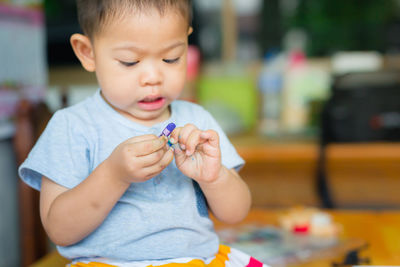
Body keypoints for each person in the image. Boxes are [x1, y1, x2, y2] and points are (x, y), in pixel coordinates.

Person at [19, 1, 266, 266]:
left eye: (171, 58)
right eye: (130, 62)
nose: (152, 77)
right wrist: (113, 175)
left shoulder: (198, 121)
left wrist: (214, 177)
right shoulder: (72, 126)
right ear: (87, 52)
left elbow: (236, 212)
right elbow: (59, 230)